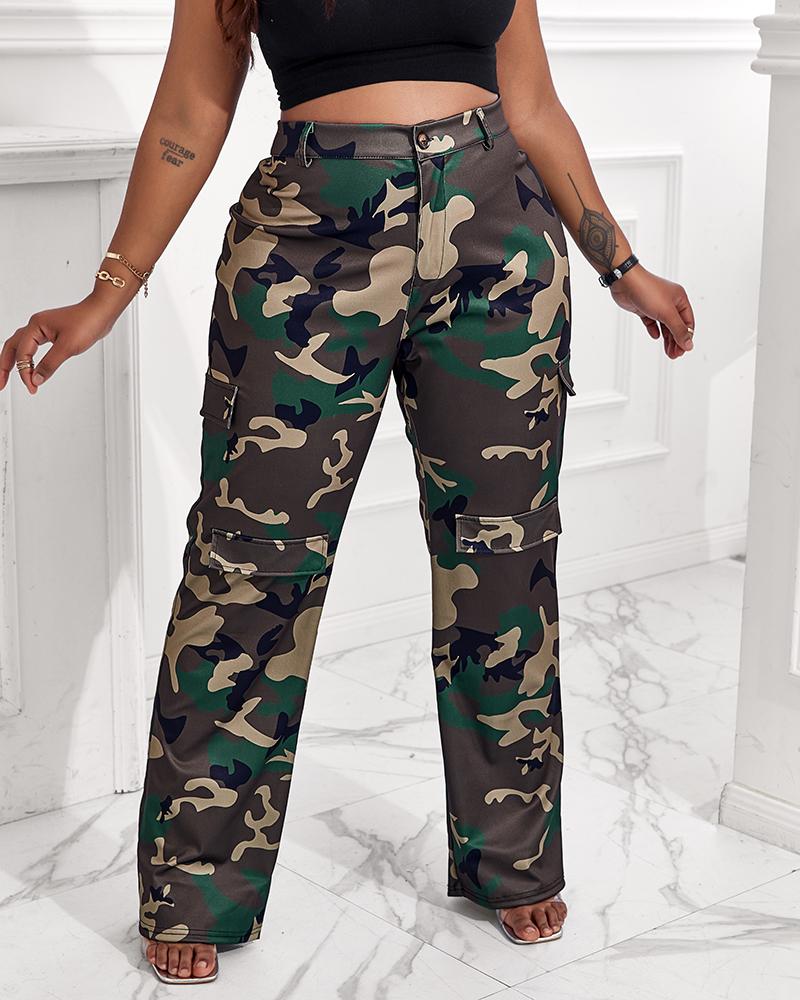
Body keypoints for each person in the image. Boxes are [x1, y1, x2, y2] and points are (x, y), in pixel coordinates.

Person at [0, 0, 696, 984]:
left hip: (500, 239)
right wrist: (106, 294)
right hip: (305, 236)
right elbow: (191, 109)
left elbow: (533, 103)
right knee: (247, 567)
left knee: (503, 555)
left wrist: (620, 264)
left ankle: (511, 854)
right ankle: (196, 881)